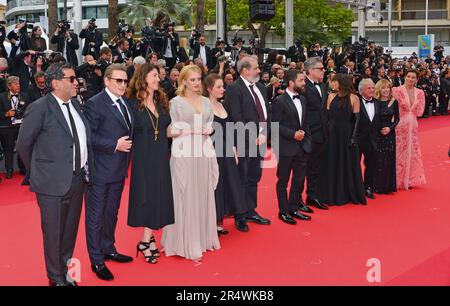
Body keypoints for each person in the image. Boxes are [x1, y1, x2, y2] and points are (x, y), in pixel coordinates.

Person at [16, 63, 93, 286]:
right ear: (56, 83)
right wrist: (39, 170)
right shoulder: (40, 107)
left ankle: (64, 270)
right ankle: (55, 278)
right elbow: (23, 145)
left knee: (69, 233)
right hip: (51, 184)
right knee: (53, 234)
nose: (76, 82)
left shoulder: (76, 106)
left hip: (78, 180)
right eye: (71, 79)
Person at [162, 65, 220, 261]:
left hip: (203, 151)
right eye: (192, 79)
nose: (196, 83)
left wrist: (208, 130)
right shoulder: (175, 103)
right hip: (183, 151)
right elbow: (168, 130)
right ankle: (183, 241)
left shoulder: (206, 101)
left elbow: (210, 125)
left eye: (198, 79)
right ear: (184, 81)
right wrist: (186, 130)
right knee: (184, 192)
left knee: (202, 191)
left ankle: (201, 238)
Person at [84, 64, 134, 281]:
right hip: (100, 171)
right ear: (106, 81)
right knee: (95, 217)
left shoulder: (126, 102)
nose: (123, 85)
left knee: (111, 213)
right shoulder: (95, 104)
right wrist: (114, 144)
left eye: (125, 81)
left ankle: (108, 248)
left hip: (119, 170)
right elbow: (88, 137)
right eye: (118, 81)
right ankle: (96, 260)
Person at [126, 63, 174, 264]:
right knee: (147, 197)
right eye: (154, 75)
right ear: (143, 77)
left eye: (159, 76)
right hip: (143, 159)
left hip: (162, 156)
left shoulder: (162, 101)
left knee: (159, 197)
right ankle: (145, 241)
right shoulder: (131, 104)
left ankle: (148, 238)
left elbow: (166, 129)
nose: (158, 79)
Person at [223, 55, 271, 232]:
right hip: (243, 141)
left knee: (254, 177)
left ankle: (251, 210)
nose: (259, 70)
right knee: (241, 178)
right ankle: (240, 214)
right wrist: (254, 136)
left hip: (260, 140)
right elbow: (236, 118)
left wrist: (265, 134)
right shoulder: (234, 89)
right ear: (245, 70)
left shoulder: (260, 87)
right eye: (256, 67)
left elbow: (266, 111)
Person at [204, 73, 247, 235]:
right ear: (209, 89)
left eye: (223, 86)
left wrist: (234, 148)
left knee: (227, 185)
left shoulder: (223, 106)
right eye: (219, 87)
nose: (223, 89)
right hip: (212, 151)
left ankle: (219, 219)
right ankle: (211, 222)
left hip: (227, 151)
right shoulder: (204, 106)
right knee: (215, 185)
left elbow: (230, 129)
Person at [317, 74, 366, 205]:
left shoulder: (354, 98)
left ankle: (346, 193)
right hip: (332, 134)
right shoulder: (331, 96)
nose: (331, 84)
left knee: (347, 163)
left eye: (334, 82)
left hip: (346, 134)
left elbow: (357, 121)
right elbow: (326, 116)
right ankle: (330, 192)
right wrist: (326, 132)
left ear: (342, 83)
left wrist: (353, 138)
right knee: (331, 161)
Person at [272, 70, 313, 225]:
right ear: (291, 82)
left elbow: (305, 122)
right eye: (301, 80)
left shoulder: (303, 99)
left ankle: (294, 208)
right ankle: (283, 211)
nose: (304, 83)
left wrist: (307, 139)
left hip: (302, 147)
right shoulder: (279, 101)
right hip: (285, 147)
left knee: (299, 180)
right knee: (283, 180)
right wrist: (292, 134)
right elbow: (274, 125)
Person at [393, 70, 426, 190]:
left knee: (412, 152)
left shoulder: (420, 93)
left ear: (417, 79)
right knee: (399, 152)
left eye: (413, 77)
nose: (410, 79)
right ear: (404, 77)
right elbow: (392, 108)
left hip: (413, 126)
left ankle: (409, 179)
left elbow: (420, 111)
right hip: (399, 126)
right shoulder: (397, 90)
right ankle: (397, 179)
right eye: (408, 76)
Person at [304, 57, 329, 210]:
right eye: (320, 68)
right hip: (308, 133)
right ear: (311, 70)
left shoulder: (324, 86)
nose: (323, 71)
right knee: (304, 167)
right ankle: (297, 199)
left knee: (316, 166)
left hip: (322, 132)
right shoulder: (303, 85)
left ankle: (312, 195)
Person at [373, 79, 399, 194]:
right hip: (377, 134)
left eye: (387, 87)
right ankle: (377, 186)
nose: (386, 90)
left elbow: (397, 118)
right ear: (379, 89)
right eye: (383, 88)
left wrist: (390, 128)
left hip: (389, 134)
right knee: (377, 160)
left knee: (389, 159)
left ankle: (388, 186)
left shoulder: (394, 101)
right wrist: (378, 130)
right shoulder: (374, 102)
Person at [0, 76, 29, 178]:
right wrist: (6, 114)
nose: (18, 86)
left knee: (22, 148)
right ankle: (9, 170)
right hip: (7, 127)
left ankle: (23, 169)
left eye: (19, 84)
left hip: (21, 126)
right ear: (9, 86)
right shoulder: (2, 97)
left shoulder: (25, 96)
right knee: (8, 149)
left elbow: (30, 110)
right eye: (15, 84)